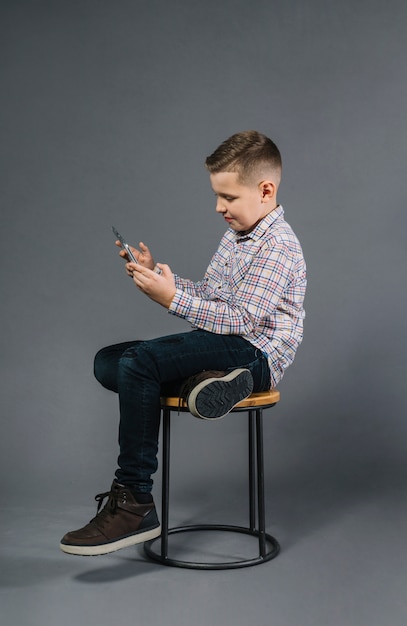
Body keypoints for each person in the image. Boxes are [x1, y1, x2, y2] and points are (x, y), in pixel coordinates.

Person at [60, 130, 307, 556]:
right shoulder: (237, 236)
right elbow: (214, 295)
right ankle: (208, 385)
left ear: (265, 190)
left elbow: (243, 319)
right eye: (217, 196)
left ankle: (135, 502)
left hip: (255, 352)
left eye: (228, 197)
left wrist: (171, 300)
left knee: (139, 364)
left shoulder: (279, 246)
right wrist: (164, 279)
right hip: (221, 342)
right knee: (109, 362)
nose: (219, 207)